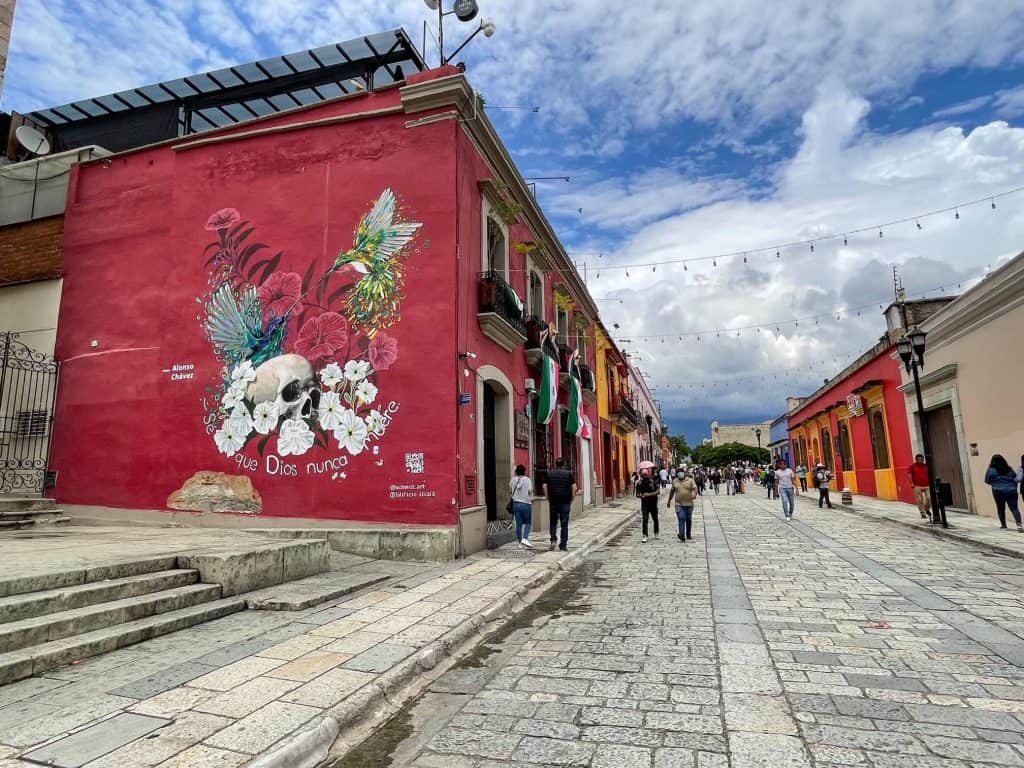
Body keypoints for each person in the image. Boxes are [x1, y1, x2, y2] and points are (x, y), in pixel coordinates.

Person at [542, 458, 577, 551]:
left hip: (553, 501)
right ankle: (563, 545)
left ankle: (553, 540)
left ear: (555, 464)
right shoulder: (569, 473)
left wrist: (547, 497)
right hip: (565, 501)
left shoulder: (549, 473)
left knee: (553, 521)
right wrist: (572, 498)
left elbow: (544, 486)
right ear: (564, 464)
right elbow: (574, 487)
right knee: (564, 523)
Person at [984, 454, 1023, 532]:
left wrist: (994, 483)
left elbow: (987, 480)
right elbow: (1015, 477)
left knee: (1001, 508)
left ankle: (1004, 526)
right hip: (1011, 490)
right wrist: (1013, 486)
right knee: (1014, 508)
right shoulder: (1009, 468)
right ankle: (1019, 525)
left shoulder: (990, 470)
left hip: (998, 491)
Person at [667, 469, 698, 541]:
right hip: (679, 504)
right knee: (681, 518)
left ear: (684, 473)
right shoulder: (675, 481)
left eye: (681, 473)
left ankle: (688, 534)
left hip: (689, 504)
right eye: (678, 473)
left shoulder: (690, 480)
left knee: (688, 519)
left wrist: (694, 494)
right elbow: (672, 491)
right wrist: (669, 501)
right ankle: (681, 535)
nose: (680, 474)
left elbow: (695, 488)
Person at [510, 464, 534, 549]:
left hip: (516, 504)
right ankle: (525, 538)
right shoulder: (527, 480)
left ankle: (520, 543)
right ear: (524, 471)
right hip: (526, 504)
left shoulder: (513, 480)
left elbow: (510, 490)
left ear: (516, 471)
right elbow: (530, 491)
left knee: (518, 524)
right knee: (528, 522)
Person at [636, 468, 660, 543]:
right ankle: (644, 535)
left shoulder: (653, 481)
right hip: (644, 504)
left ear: (648, 474)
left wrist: (649, 494)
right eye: (643, 475)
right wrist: (641, 496)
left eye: (646, 474)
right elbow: (637, 494)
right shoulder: (639, 483)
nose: (644, 476)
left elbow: (658, 492)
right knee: (645, 519)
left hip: (653, 503)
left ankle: (656, 532)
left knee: (655, 519)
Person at [908, 454, 932, 520]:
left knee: (929, 498)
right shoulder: (912, 466)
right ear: (916, 460)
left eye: (921, 459)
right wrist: (912, 483)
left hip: (927, 485)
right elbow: (909, 475)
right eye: (919, 459)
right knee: (919, 499)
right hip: (917, 485)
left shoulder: (926, 466)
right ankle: (922, 513)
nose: (920, 460)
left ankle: (927, 509)